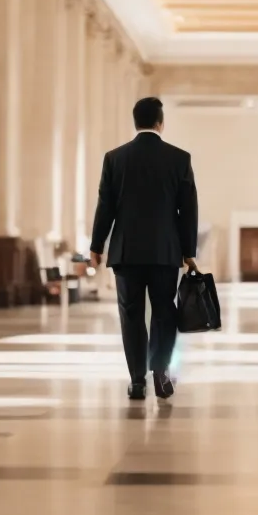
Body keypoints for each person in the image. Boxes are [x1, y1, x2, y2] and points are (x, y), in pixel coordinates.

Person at [89, 97, 199, 401]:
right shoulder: (179, 159)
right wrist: (189, 251)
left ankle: (137, 381)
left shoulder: (115, 158)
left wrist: (97, 245)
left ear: (135, 122)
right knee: (165, 311)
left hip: (126, 252)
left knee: (131, 314)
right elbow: (188, 210)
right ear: (161, 123)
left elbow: (105, 206)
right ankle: (161, 372)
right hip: (165, 252)